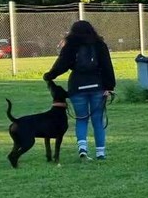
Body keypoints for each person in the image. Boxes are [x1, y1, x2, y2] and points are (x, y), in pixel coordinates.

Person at [43, 20, 115, 161]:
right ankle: (100, 153)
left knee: (81, 119)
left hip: (77, 86)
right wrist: (109, 87)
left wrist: (49, 75)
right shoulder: (100, 45)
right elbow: (107, 66)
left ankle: (82, 148)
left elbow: (62, 64)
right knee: (97, 121)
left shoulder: (71, 45)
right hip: (97, 86)